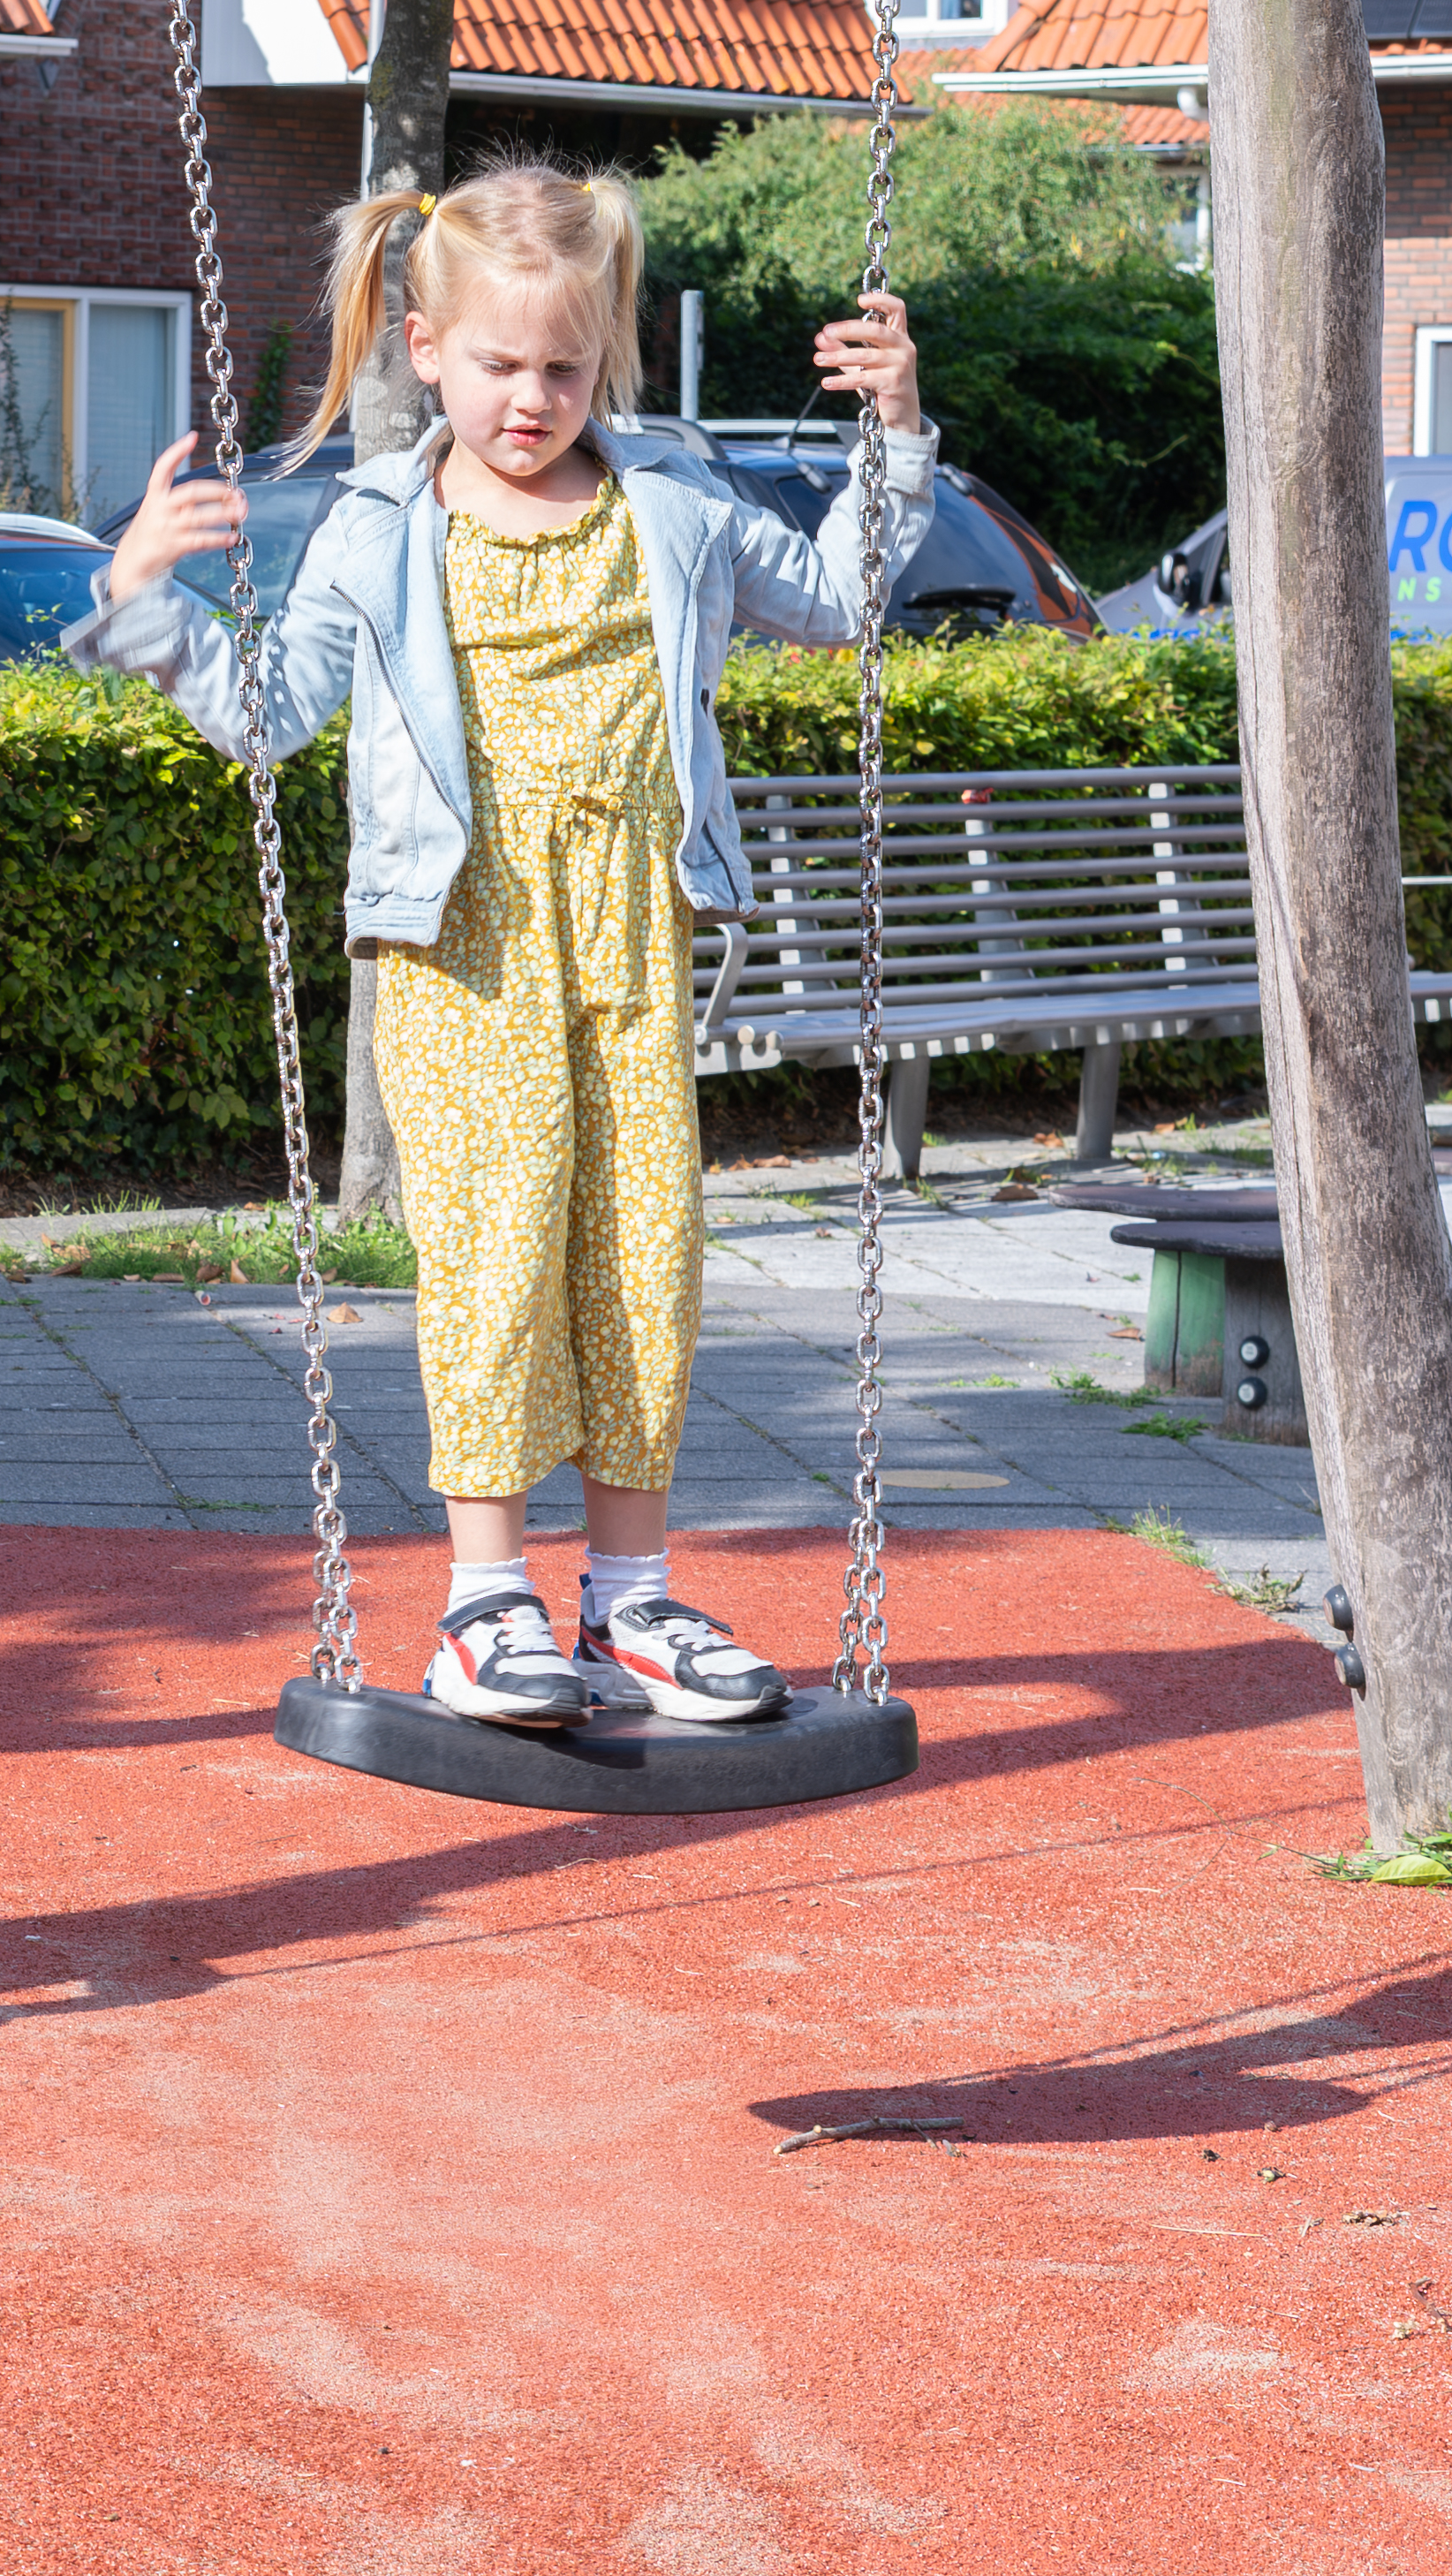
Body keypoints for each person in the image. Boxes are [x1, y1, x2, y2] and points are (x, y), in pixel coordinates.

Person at [78, 162, 928, 1731]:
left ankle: (628, 1598)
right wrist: (140, 600)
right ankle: (484, 1602)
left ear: (604, 360)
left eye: (562, 366)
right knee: (494, 1250)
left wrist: (891, 434)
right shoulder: (378, 523)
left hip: (627, 925)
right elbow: (265, 716)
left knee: (640, 1253)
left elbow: (837, 599)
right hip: (457, 943)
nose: (528, 399)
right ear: (423, 348)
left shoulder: (666, 500)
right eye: (495, 364)